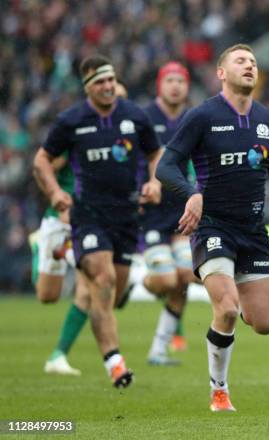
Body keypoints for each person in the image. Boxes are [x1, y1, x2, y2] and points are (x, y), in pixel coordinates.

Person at [156, 44, 269, 412]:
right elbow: (166, 167)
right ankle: (219, 390)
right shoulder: (202, 116)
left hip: (253, 232)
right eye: (241, 61)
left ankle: (236, 304)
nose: (250, 66)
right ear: (221, 73)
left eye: (254, 62)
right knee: (225, 308)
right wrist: (192, 194)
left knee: (266, 323)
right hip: (212, 227)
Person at [32, 54, 162, 388]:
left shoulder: (135, 116)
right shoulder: (71, 120)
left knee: (113, 294)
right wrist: (54, 194)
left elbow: (155, 154)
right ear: (87, 87)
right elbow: (42, 161)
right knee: (101, 281)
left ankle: (67, 256)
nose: (107, 87)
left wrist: (155, 181)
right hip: (87, 215)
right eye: (99, 82)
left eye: (110, 80)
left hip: (127, 216)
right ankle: (115, 364)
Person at [141, 62, 198, 365]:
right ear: (159, 85)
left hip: (182, 212)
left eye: (181, 80)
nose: (175, 85)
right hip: (151, 213)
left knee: (185, 275)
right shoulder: (145, 118)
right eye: (170, 80)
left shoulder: (192, 119)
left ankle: (158, 351)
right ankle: (146, 281)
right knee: (165, 281)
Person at [30, 152, 89, 376]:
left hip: (89, 221)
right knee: (47, 295)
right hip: (60, 220)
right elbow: (42, 169)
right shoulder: (71, 129)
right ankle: (39, 246)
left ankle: (58, 355)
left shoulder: (110, 130)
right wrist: (58, 200)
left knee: (88, 292)